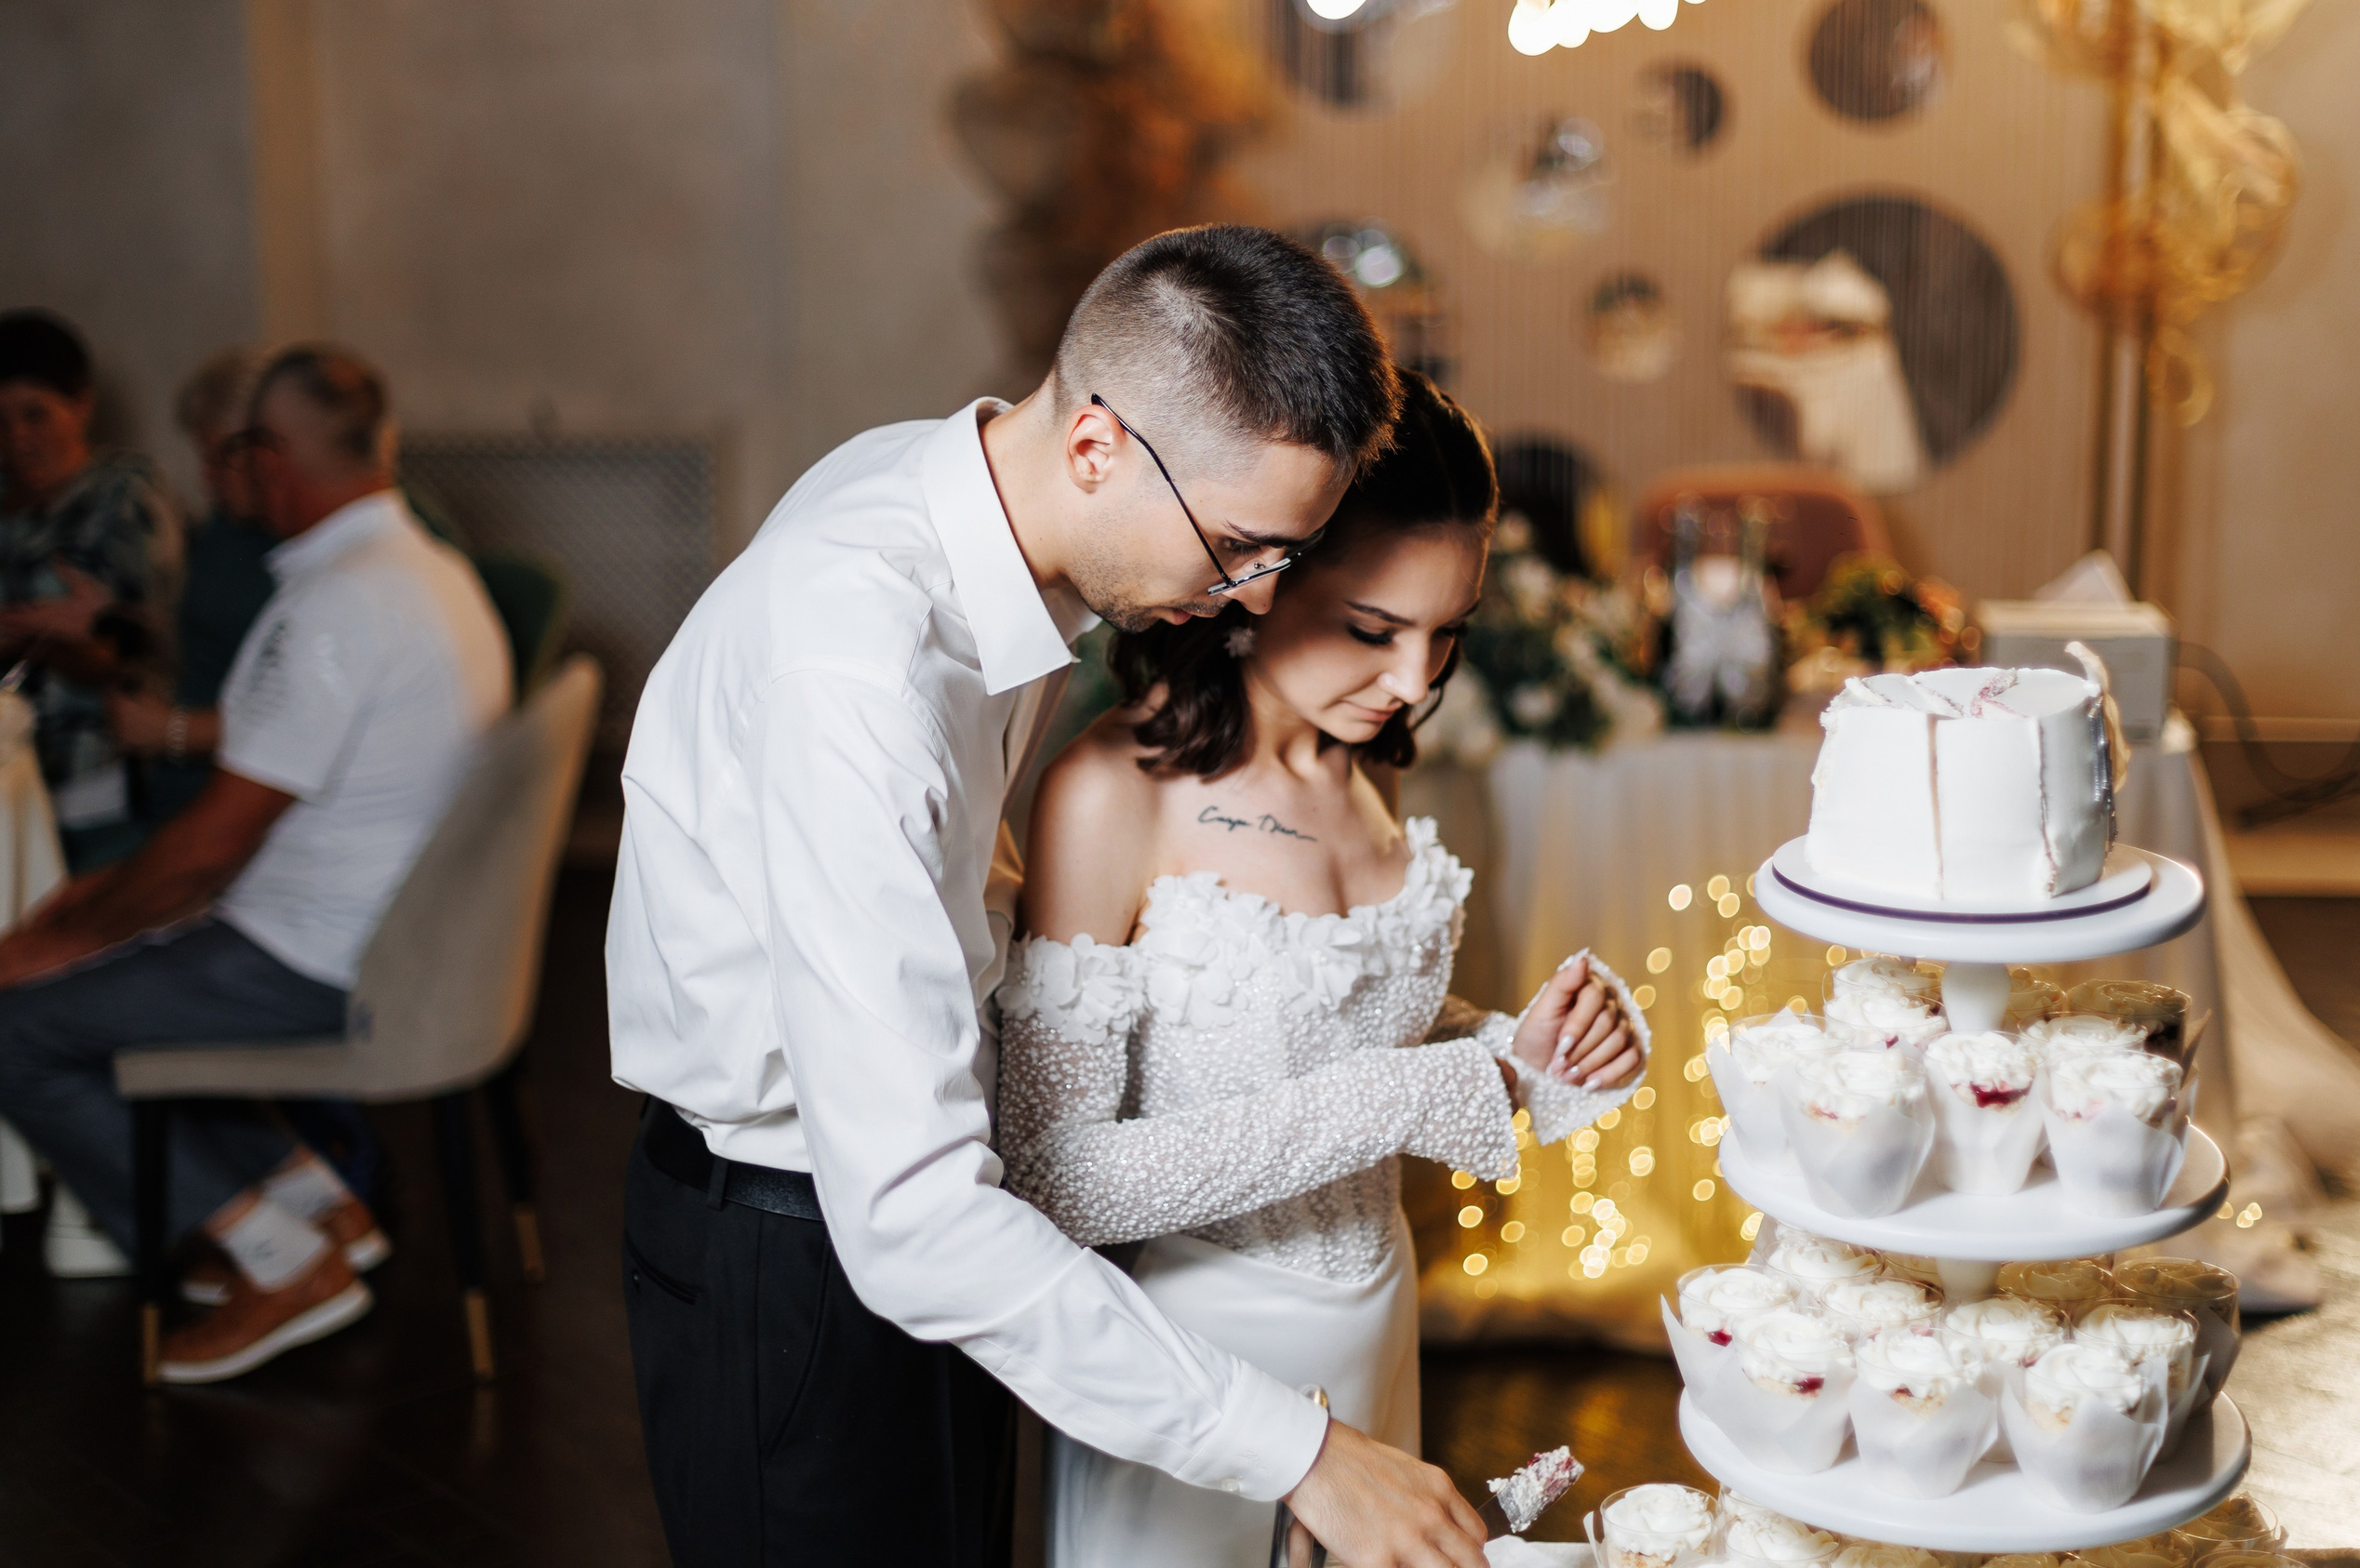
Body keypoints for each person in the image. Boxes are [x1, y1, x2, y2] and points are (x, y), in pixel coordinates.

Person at [608, 225, 1500, 1567]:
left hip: (964, 1243)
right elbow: (908, 1216)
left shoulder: (983, 513)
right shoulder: (860, 674)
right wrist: (1304, 1452)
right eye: (1245, 548)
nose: (1253, 595)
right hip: (797, 1253)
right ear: (1096, 446)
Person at [998, 369, 1648, 1566]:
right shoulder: (1109, 795)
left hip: (1376, 1318)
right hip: (1197, 1362)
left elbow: (1329, 1011)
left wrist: (1519, 1042)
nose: (1411, 682)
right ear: (1260, 575)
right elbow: (1054, 1180)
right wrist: (1430, 1089)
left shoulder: (1367, 759)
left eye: (1443, 632)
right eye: (1371, 628)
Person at [0, 344, 512, 1382]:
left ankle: (278, 1258)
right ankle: (316, 1206)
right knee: (94, 960)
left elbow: (211, 843)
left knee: (15, 1024)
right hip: (375, 932)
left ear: (270, 460)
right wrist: (90, 915)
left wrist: (57, 939)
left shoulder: (339, 604)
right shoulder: (431, 572)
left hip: (319, 955)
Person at [0, 309, 181, 871]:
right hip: (11, 775)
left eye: (36, 414)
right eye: (0, 419)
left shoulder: (120, 495)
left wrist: (37, 637)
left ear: (82, 405)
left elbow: (132, 649)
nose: (17, 438)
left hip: (95, 780)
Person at [106, 347, 282, 825]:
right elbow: (209, 638)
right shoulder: (226, 529)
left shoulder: (306, 544)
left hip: (232, 806)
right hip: (177, 791)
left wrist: (172, 731)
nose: (206, 479)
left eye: (219, 458)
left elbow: (304, 716)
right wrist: (128, 627)